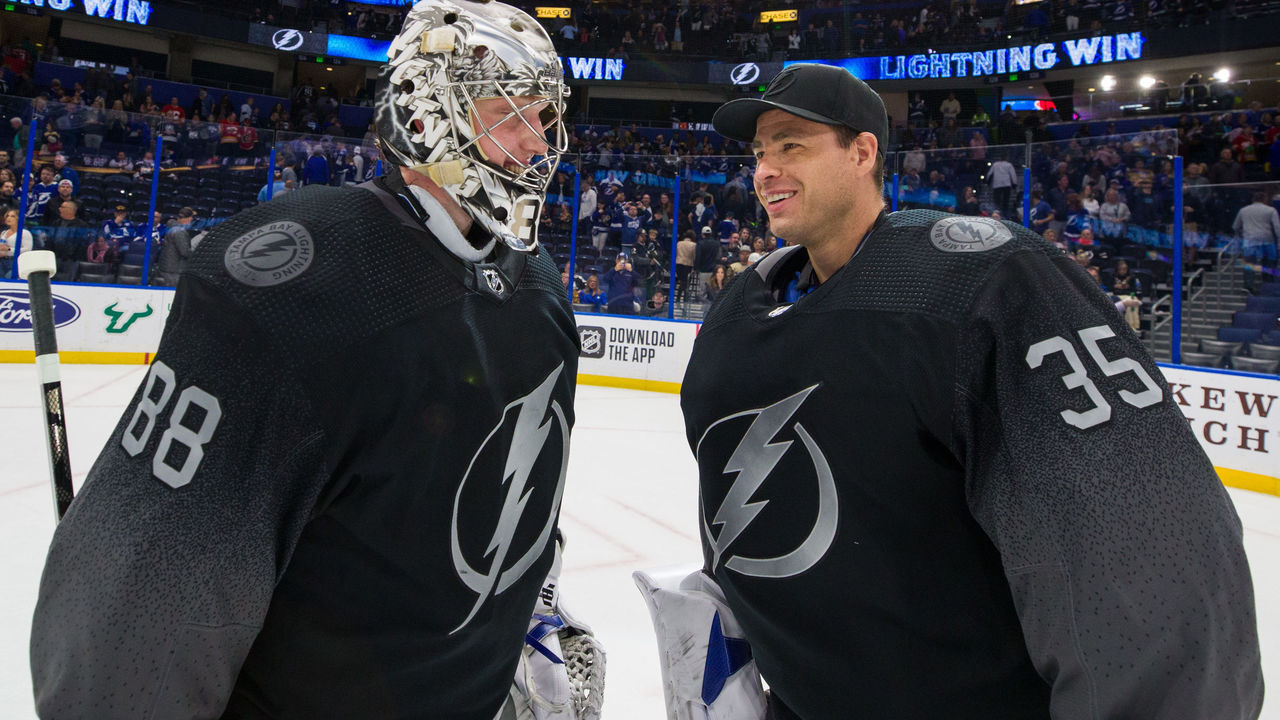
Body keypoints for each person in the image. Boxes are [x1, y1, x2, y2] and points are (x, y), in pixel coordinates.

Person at [30, 3, 604, 719]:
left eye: (543, 116)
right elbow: (145, 595)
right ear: (426, 116)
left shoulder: (540, 287)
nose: (535, 144)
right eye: (506, 113)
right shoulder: (294, 285)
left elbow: (517, 495)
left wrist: (532, 607)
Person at [664, 63, 1262, 720]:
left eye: (791, 146)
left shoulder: (976, 286)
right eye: (758, 154)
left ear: (864, 152)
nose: (765, 170)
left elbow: (1147, 559)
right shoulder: (737, 320)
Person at [1232, 190, 1280, 293]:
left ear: (1253, 199)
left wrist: (1240, 234)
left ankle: (1248, 285)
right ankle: (1268, 285)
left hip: (1249, 240)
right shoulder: (1271, 210)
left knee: (1249, 263)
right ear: (1265, 199)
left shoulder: (1243, 210)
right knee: (1269, 263)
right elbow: (1277, 228)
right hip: (1267, 240)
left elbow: (1235, 226)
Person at [0, 206, 32, 277]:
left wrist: (9, 249)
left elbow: (27, 250)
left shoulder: (25, 233)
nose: (9, 218)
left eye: (12, 216)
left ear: (18, 218)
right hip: (2, 261)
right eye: (7, 216)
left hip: (15, 262)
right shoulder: (4, 233)